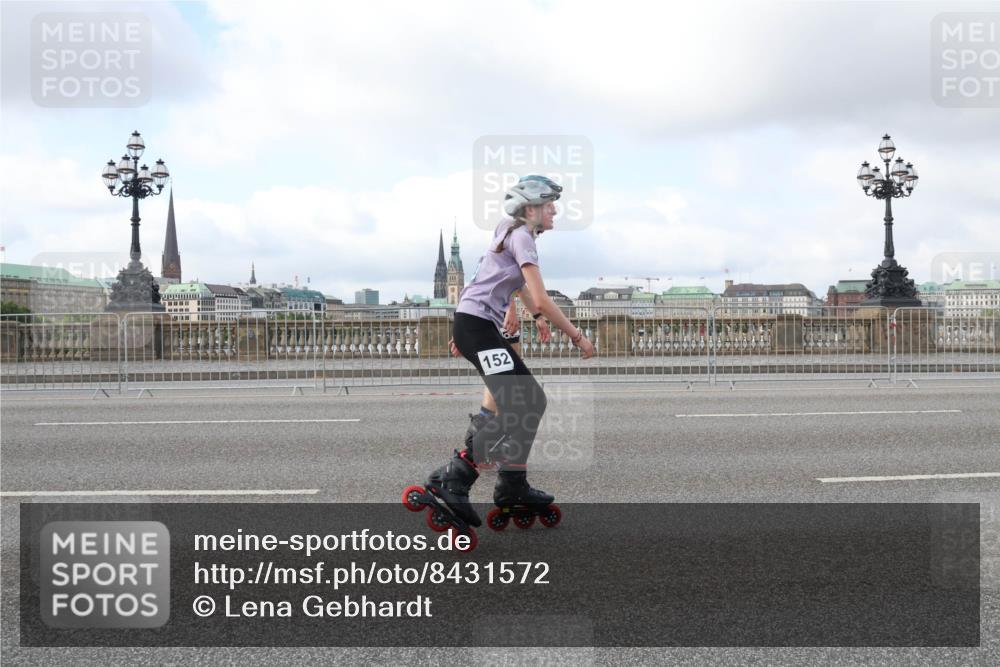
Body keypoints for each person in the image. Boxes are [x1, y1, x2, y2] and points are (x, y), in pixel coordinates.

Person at [425, 176, 595, 528]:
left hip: (477, 326)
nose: (555, 211)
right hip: (477, 327)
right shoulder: (522, 238)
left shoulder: (511, 230)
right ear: (530, 209)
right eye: (549, 205)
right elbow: (543, 298)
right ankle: (454, 477)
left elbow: (495, 282)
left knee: (532, 401)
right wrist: (577, 336)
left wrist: (527, 315)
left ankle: (512, 485)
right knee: (520, 404)